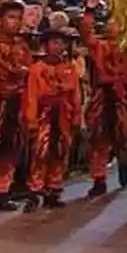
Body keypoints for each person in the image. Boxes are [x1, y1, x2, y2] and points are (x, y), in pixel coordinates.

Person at [22, 29, 82, 213]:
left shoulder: (70, 68)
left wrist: (77, 116)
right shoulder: (36, 69)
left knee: (60, 151)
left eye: (62, 43)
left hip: (64, 113)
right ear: (45, 45)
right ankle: (35, 190)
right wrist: (31, 120)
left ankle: (53, 189)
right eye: (54, 43)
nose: (59, 47)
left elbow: (75, 94)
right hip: (44, 114)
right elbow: (31, 96)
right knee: (41, 152)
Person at [80, 0, 127, 197]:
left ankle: (123, 166)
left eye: (117, 21)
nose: (113, 25)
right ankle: (99, 178)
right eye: (111, 21)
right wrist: (89, 11)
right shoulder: (98, 45)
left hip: (122, 95)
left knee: (123, 137)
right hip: (102, 96)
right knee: (98, 139)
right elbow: (86, 32)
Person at [0, 1, 32, 210]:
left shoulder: (22, 45)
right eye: (11, 17)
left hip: (17, 101)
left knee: (12, 147)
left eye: (19, 18)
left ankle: (0, 191)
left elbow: (29, 72)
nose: (16, 22)